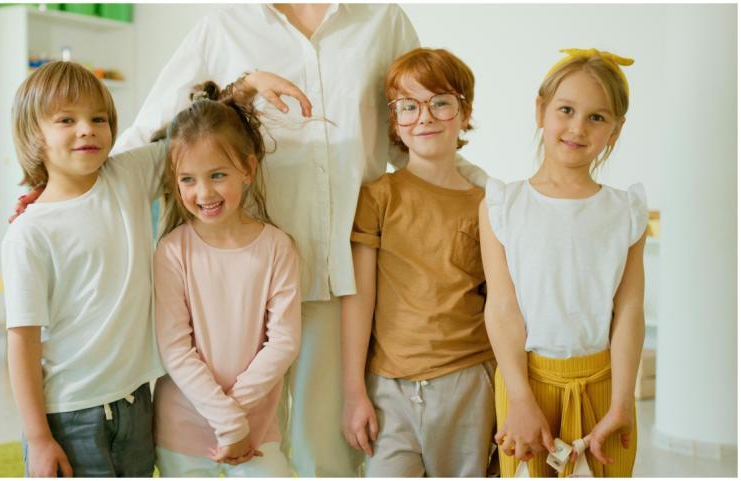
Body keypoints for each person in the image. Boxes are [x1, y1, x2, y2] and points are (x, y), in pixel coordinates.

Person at [113, 5, 486, 475]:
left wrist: (489, 191)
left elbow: (412, 127)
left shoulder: (383, 19)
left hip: (341, 275)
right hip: (240, 281)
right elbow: (160, 128)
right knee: (234, 443)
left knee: (325, 455)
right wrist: (62, 187)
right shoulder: (226, 24)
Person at [479, 48, 646, 477]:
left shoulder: (625, 210)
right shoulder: (503, 204)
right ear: (541, 110)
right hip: (526, 384)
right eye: (566, 110)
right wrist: (520, 399)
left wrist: (622, 401)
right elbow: (501, 307)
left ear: (616, 130)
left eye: (597, 117)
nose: (577, 127)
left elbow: (628, 312)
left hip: (605, 385)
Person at [1, 61, 168, 477]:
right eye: (66, 120)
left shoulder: (128, 175)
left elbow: (195, 134)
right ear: (34, 136)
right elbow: (22, 341)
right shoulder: (28, 233)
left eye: (98, 118)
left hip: (136, 402)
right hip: (70, 415)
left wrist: (244, 89)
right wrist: (39, 438)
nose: (87, 129)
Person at [341, 47, 495, 477]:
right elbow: (359, 299)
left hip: (467, 382)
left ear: (464, 114)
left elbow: (499, 302)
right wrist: (354, 391)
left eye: (440, 103)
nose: (424, 117)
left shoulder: (486, 204)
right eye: (409, 106)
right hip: (389, 389)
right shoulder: (378, 197)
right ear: (395, 121)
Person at [152, 81, 301, 477]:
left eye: (217, 174)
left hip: (257, 427)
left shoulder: (277, 247)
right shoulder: (171, 252)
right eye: (188, 179)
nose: (204, 192)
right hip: (181, 428)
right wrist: (228, 420)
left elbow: (283, 342)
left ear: (248, 169)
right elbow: (175, 349)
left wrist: (236, 418)